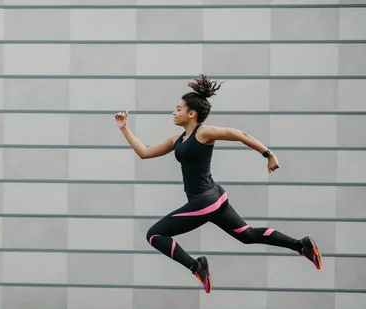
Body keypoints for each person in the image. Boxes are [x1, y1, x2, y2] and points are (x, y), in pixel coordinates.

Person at [114, 74, 322, 294]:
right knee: (247, 235)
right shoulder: (177, 140)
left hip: (204, 201)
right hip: (215, 199)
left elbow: (240, 134)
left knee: (154, 235)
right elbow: (144, 153)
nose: (174, 112)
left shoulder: (204, 132)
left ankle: (197, 267)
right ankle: (301, 244)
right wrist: (124, 128)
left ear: (191, 113)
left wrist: (268, 154)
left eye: (178, 108)